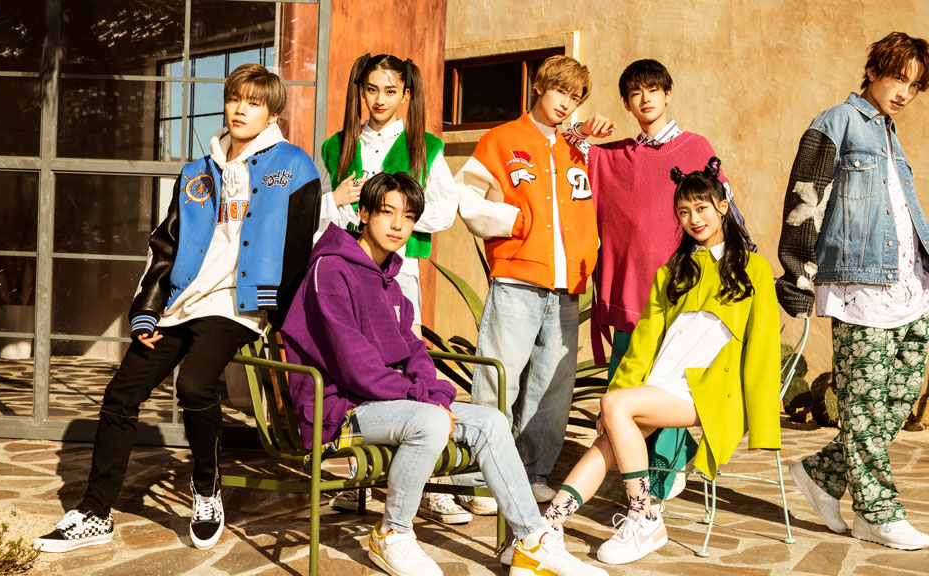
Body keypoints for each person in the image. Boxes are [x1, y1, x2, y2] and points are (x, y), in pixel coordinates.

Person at [33, 63, 321, 552]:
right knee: (121, 393)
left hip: (238, 304)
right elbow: (165, 245)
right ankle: (96, 512)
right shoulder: (196, 172)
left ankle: (206, 490)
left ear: (273, 113)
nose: (240, 109)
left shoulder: (295, 165)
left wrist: (281, 316)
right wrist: (147, 310)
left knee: (193, 384)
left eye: (253, 102)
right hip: (182, 299)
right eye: (234, 98)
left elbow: (299, 245)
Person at [280, 172, 608, 576]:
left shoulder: (389, 281)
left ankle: (530, 540)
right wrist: (424, 400)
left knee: (490, 421)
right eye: (386, 212)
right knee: (430, 420)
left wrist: (433, 392)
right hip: (340, 410)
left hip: (391, 405)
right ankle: (392, 533)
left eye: (408, 216)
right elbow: (353, 363)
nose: (398, 225)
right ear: (362, 213)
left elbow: (414, 348)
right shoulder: (330, 270)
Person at [539, 160, 781, 565]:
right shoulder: (673, 270)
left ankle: (643, 516)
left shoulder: (753, 269)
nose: (694, 219)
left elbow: (763, 350)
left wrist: (762, 423)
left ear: (723, 206)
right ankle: (548, 526)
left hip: (709, 394)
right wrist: (616, 402)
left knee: (615, 405)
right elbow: (643, 345)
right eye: (684, 212)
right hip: (660, 386)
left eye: (701, 208)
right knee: (606, 440)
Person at [777, 32, 929, 551]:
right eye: (899, 78)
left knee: (895, 401)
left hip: (915, 285)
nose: (905, 93)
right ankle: (876, 513)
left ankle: (822, 474)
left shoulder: (889, 131)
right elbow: (805, 200)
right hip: (861, 289)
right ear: (872, 70)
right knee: (865, 411)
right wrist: (796, 277)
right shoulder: (836, 122)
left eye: (915, 85)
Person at [580, 58, 756, 502]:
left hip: (682, 290)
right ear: (626, 103)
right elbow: (561, 147)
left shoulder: (695, 147)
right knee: (629, 382)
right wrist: (582, 129)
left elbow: (724, 210)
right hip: (630, 290)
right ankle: (644, 467)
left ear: (668, 93)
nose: (645, 99)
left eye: (653, 90)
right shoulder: (614, 156)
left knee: (670, 381)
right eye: (635, 93)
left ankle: (665, 469)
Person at [454, 55, 614, 509]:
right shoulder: (501, 139)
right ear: (540, 87)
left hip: (567, 286)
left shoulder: (576, 149)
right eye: (560, 91)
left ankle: (531, 472)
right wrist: (515, 220)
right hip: (516, 279)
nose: (566, 103)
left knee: (551, 388)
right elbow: (466, 197)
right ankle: (477, 478)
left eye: (575, 97)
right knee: (497, 381)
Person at [315, 52, 464, 523]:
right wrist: (342, 204)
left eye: (390, 91)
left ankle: (430, 484)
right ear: (361, 91)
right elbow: (320, 211)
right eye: (371, 89)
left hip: (399, 273)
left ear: (406, 95)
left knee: (408, 359)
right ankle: (360, 477)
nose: (380, 99)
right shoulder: (336, 145)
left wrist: (396, 216)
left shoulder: (426, 147)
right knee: (357, 365)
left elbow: (445, 209)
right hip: (349, 272)